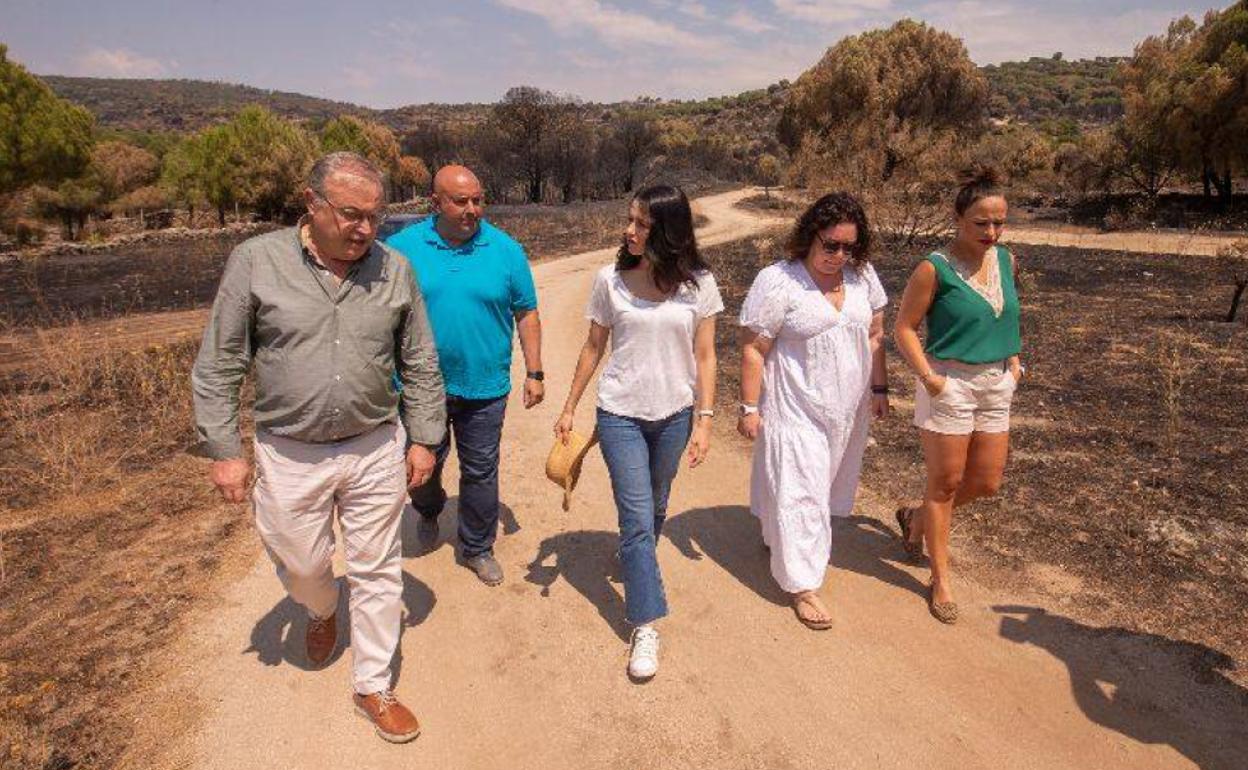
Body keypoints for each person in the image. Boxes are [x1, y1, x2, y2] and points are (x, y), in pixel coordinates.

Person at [192, 151, 445, 743]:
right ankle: (323, 607)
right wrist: (225, 449)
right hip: (288, 450)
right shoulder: (256, 262)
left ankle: (373, 684)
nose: (364, 229)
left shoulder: (395, 270)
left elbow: (420, 361)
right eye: (351, 215)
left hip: (374, 444)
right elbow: (220, 362)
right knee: (303, 564)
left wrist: (425, 437)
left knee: (379, 568)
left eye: (375, 217)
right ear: (312, 204)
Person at [554, 185, 722, 681]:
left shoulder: (699, 284)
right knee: (635, 513)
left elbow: (707, 355)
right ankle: (645, 622)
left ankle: (638, 549)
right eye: (629, 221)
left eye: (641, 224)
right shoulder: (610, 280)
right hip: (620, 414)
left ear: (668, 231)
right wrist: (569, 407)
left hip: (674, 413)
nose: (629, 231)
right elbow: (592, 347)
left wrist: (706, 419)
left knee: (656, 502)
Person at [736, 192, 890, 630]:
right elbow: (754, 347)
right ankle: (802, 585)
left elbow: (876, 335)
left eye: (849, 247)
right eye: (830, 245)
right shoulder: (779, 281)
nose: (840, 255)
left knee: (820, 482)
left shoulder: (862, 277)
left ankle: (776, 533)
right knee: (801, 484)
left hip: (846, 407)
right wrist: (749, 406)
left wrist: (879, 387)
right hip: (793, 405)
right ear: (809, 237)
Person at [385, 165, 543, 586]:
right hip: (421, 388)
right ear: (435, 203)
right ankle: (429, 508)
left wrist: (535, 370)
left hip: (484, 385)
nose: (472, 209)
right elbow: (379, 314)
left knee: (481, 468)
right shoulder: (400, 248)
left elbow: (526, 311)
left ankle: (476, 546)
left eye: (477, 199)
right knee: (424, 468)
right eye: (461, 201)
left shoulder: (506, 250)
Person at [893, 165, 1024, 624]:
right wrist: (932, 380)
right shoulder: (935, 267)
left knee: (986, 482)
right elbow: (904, 328)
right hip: (949, 381)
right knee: (945, 484)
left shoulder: (1006, 260)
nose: (991, 232)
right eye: (981, 223)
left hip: (996, 381)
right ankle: (940, 577)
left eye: (999, 222)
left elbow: (1005, 313)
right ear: (958, 219)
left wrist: (1014, 359)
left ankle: (915, 520)